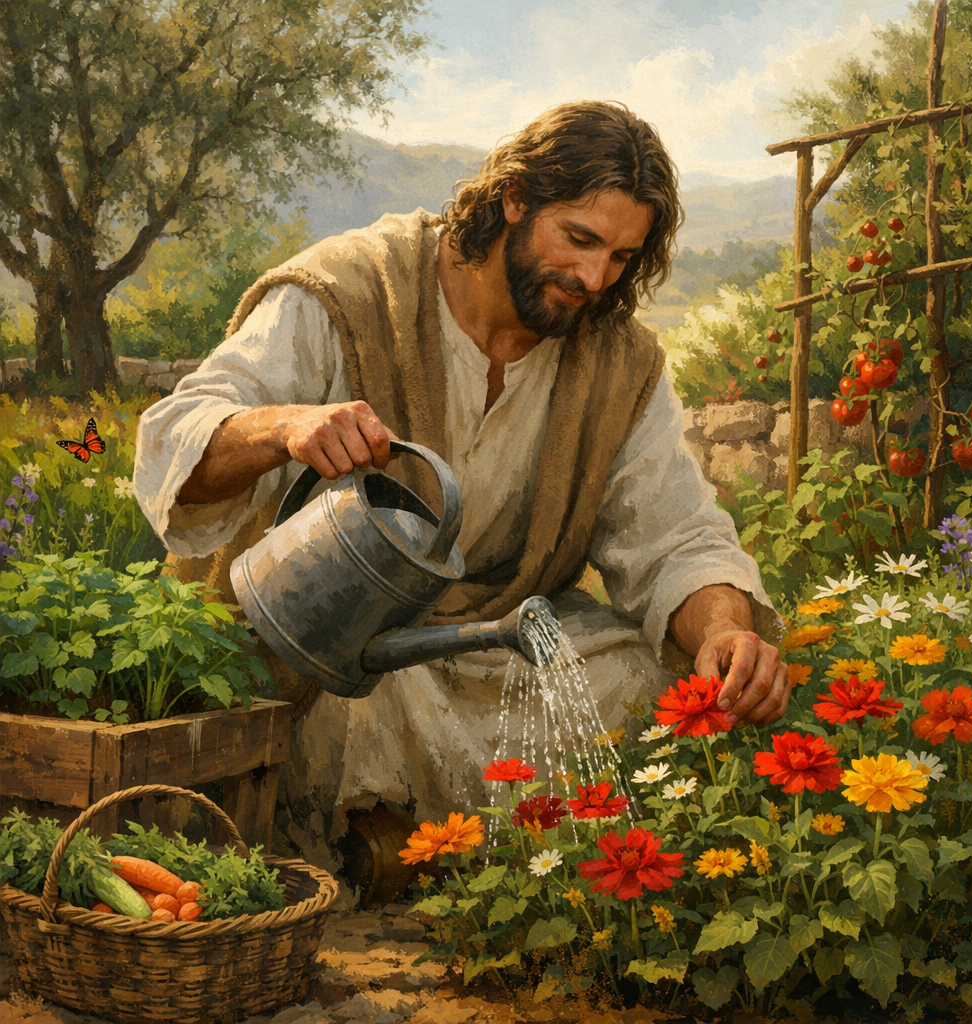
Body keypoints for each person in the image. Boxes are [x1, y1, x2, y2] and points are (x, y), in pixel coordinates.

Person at [135, 101, 789, 873]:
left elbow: (676, 535)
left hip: (496, 643)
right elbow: (177, 434)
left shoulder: (618, 362)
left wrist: (721, 632)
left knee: (659, 678)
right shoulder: (350, 289)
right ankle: (396, 848)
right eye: (577, 239)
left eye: (619, 257)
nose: (592, 277)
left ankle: (431, 853)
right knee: (347, 690)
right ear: (514, 198)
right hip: (350, 648)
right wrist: (286, 427)